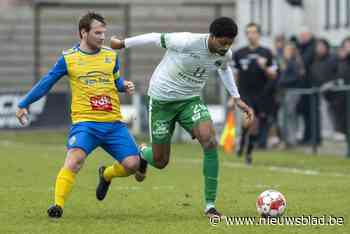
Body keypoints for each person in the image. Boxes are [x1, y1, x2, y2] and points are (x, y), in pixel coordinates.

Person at [109, 17, 254, 218]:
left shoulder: (224, 53)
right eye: (223, 43)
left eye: (230, 43)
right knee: (160, 161)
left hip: (190, 101)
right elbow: (153, 37)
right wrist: (122, 43)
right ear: (212, 37)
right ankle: (143, 152)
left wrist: (236, 98)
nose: (226, 47)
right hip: (161, 101)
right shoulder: (186, 41)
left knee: (210, 141)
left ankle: (210, 206)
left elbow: (224, 67)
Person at [15, 12, 147, 218]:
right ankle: (57, 206)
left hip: (113, 123)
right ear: (83, 33)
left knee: (133, 165)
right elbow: (47, 82)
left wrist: (124, 85)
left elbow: (115, 81)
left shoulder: (111, 56)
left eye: (104, 32)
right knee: (74, 160)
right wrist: (24, 103)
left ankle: (107, 174)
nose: (103, 37)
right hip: (85, 123)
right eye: (97, 33)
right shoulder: (69, 58)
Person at [233, 23, 277, 164]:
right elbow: (235, 75)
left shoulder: (266, 53)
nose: (251, 35)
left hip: (262, 94)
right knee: (250, 120)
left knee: (254, 124)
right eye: (248, 32)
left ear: (258, 34)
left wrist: (264, 67)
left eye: (254, 32)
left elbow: (274, 75)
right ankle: (246, 151)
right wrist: (233, 94)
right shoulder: (239, 53)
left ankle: (247, 148)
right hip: (245, 93)